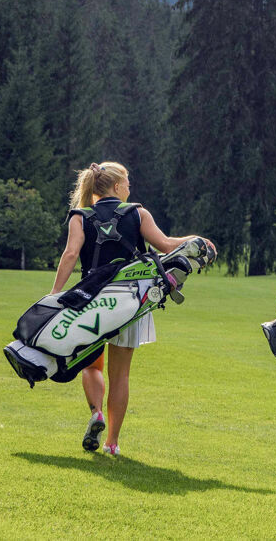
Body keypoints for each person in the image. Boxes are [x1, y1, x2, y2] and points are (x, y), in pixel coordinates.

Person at [52, 162, 212, 456]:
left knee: (90, 365)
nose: (129, 188)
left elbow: (71, 254)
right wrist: (194, 240)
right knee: (121, 375)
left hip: (92, 299)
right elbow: (165, 245)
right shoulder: (138, 212)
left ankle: (96, 412)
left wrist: (54, 295)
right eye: (127, 183)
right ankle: (112, 443)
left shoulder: (80, 216)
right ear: (116, 187)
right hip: (131, 299)